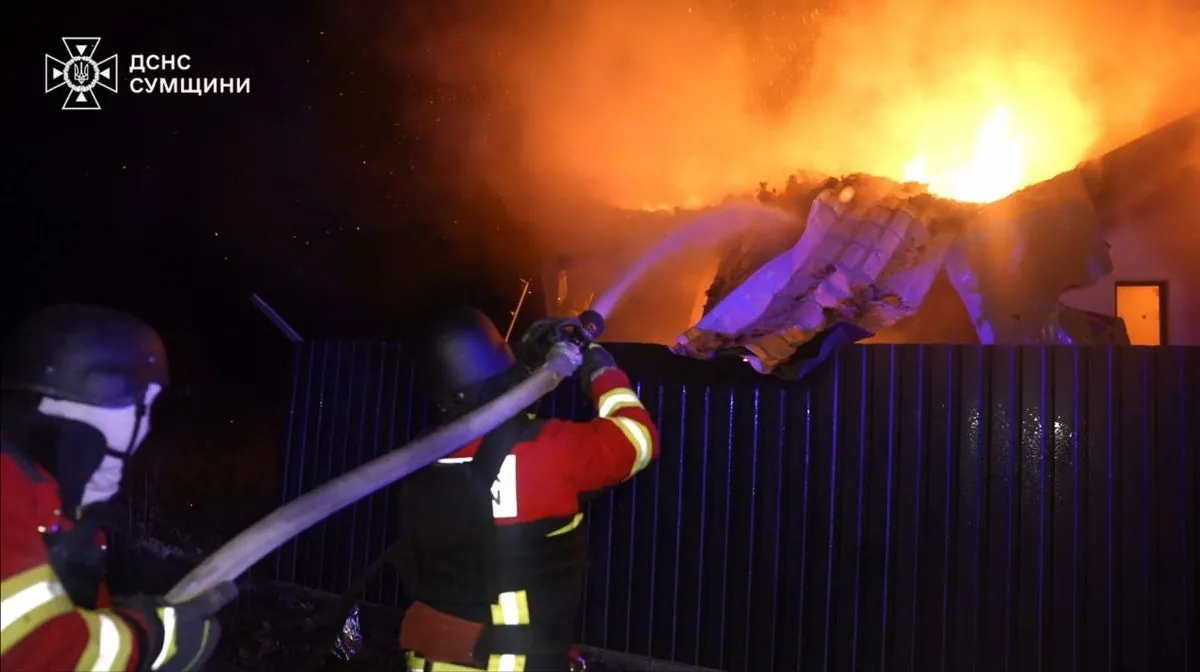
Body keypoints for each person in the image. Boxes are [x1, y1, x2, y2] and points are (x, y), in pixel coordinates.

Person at [395, 307, 660, 672]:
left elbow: (499, 428)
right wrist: (601, 371)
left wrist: (528, 367)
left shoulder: (421, 458)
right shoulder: (547, 452)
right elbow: (640, 439)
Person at [0, 304, 236, 672]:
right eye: (144, 407)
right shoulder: (7, 486)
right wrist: (154, 640)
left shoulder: (63, 514)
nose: (147, 429)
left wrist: (127, 621)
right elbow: (29, 649)